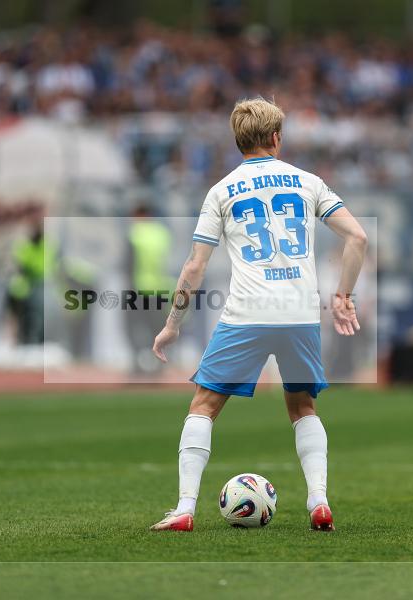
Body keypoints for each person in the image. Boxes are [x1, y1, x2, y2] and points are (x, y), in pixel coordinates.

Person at [149, 98, 368, 532]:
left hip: (247, 313)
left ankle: (185, 508)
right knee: (303, 406)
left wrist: (172, 326)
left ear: (237, 141)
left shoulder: (222, 190)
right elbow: (357, 237)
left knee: (205, 404)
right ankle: (319, 503)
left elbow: (195, 266)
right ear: (276, 138)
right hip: (300, 313)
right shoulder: (308, 182)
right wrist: (343, 295)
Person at [125, 206, 175, 373]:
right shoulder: (162, 233)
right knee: (158, 329)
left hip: (139, 288)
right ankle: (160, 364)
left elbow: (128, 263)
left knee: (134, 328)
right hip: (160, 288)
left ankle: (138, 365)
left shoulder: (134, 233)